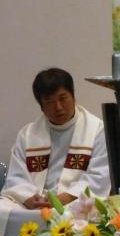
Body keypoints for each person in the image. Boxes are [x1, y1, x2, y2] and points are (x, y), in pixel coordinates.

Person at [1, 68, 110, 210]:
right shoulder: (27, 135)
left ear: (74, 96)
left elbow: (99, 176)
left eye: (63, 98)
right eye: (49, 102)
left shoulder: (97, 130)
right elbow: (16, 177)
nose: (58, 107)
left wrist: (66, 197)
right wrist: (28, 198)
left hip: (75, 200)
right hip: (37, 202)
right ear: (41, 106)